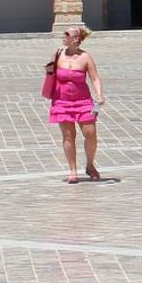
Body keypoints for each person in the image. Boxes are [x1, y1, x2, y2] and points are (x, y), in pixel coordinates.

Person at [43, 23, 105, 183]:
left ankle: (90, 165)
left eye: (66, 34)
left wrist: (99, 95)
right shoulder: (58, 54)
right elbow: (50, 73)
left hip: (83, 100)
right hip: (62, 101)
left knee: (90, 134)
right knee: (68, 135)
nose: (63, 36)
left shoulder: (85, 57)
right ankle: (72, 170)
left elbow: (95, 78)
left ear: (76, 38)